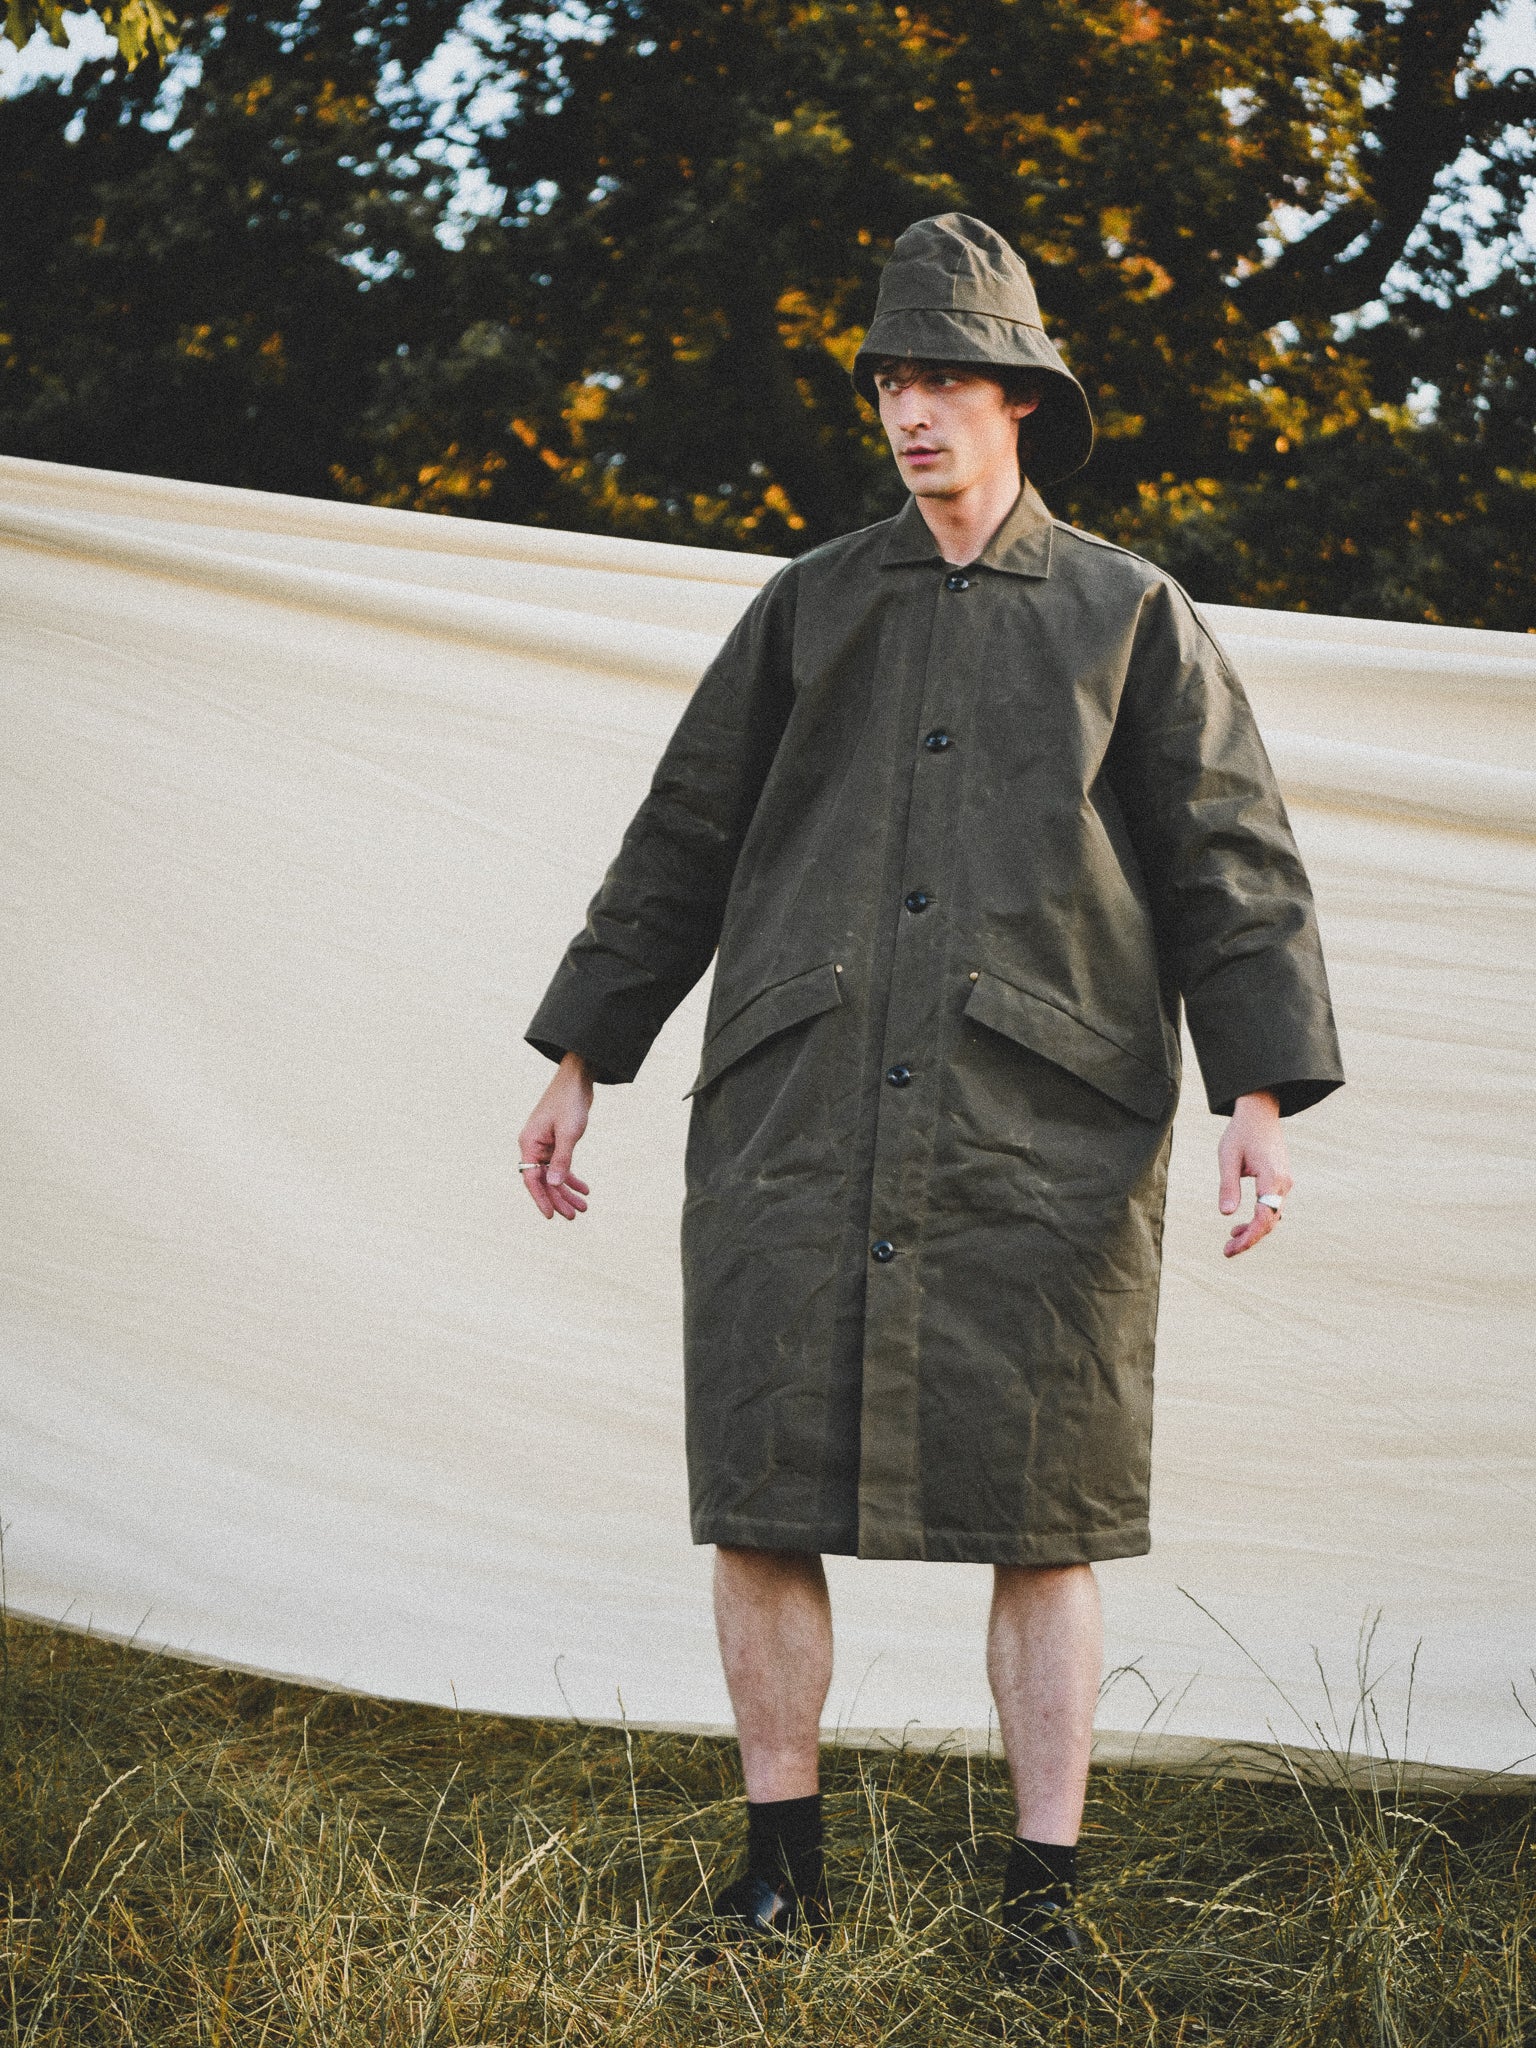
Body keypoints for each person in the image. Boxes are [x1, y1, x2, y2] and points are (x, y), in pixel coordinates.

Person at [518, 212, 1343, 1983]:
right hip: (796, 1114)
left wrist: (1259, 1092)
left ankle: (1043, 1900)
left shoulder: (1132, 615)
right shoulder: (809, 605)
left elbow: (1232, 867)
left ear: (1023, 398)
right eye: (894, 376)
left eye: (949, 376)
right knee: (760, 1492)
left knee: (1044, 1514)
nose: (914, 408)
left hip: (1041, 1134)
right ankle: (781, 1871)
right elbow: (682, 840)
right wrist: (584, 1052)